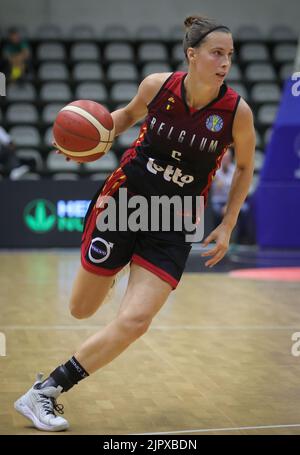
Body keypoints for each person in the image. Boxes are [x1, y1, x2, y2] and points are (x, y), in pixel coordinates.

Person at [14, 15, 255, 431]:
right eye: (216, 53)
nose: (224, 63)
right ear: (191, 55)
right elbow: (124, 117)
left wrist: (228, 223)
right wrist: (87, 144)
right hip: (124, 201)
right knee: (80, 309)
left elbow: (246, 166)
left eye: (229, 55)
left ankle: (45, 392)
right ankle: (110, 272)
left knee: (136, 322)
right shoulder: (156, 86)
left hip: (175, 219)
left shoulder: (236, 113)